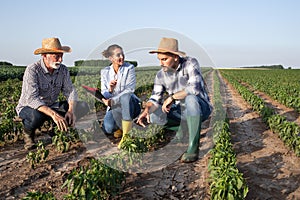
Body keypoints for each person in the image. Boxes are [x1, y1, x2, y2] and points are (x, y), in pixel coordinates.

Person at [136, 37, 212, 163]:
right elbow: (155, 98)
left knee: (191, 99)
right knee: (154, 116)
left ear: (175, 57)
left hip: (200, 109)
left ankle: (193, 149)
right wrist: (147, 110)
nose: (161, 63)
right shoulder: (160, 75)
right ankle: (183, 128)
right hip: (180, 111)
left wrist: (172, 97)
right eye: (159, 60)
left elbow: (194, 89)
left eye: (164, 59)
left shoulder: (190, 63)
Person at [16, 37, 89, 150]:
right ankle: (28, 134)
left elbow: (70, 91)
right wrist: (54, 115)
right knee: (36, 116)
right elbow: (32, 99)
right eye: (56, 56)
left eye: (61, 56)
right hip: (29, 107)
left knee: (83, 106)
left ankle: (55, 130)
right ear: (44, 56)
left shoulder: (63, 70)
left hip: (50, 105)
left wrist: (71, 110)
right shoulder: (33, 70)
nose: (60, 60)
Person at [100, 44, 141, 148]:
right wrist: (110, 90)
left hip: (131, 104)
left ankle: (126, 135)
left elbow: (129, 90)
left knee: (125, 97)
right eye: (118, 55)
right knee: (108, 128)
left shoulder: (129, 68)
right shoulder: (105, 72)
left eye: (122, 54)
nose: (122, 57)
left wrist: (113, 100)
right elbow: (104, 92)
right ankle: (121, 127)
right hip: (116, 107)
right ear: (111, 58)